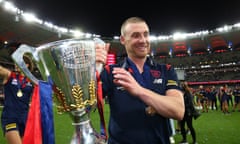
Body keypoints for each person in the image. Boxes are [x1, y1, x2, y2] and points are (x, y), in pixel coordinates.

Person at [100, 17, 185, 144]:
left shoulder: (166, 70)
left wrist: (139, 91)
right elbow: (85, 107)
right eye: (136, 35)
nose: (143, 40)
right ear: (123, 40)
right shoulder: (110, 72)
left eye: (146, 34)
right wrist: (92, 68)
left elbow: (178, 110)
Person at [0, 55, 34, 144]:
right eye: (15, 62)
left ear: (27, 65)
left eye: (19, 62)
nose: (16, 64)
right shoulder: (10, 75)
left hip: (24, 117)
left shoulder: (31, 81)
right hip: (10, 117)